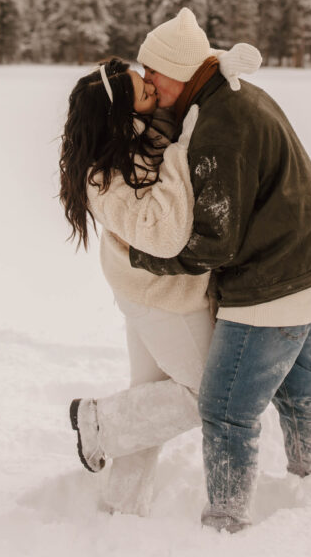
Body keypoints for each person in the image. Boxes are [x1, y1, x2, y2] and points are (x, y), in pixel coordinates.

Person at [128, 8, 311, 533]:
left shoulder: (220, 125)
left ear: (181, 72)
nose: (146, 83)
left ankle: (226, 522)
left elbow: (215, 242)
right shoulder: (229, 97)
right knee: (298, 383)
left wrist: (145, 256)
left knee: (226, 407)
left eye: (152, 73)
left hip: (279, 280)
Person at [59, 49, 260, 516]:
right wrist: (180, 152)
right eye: (145, 92)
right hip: (163, 298)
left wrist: (220, 65)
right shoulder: (105, 175)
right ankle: (98, 424)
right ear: (121, 117)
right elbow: (164, 235)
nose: (155, 89)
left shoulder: (142, 138)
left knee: (145, 401)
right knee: (208, 396)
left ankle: (121, 506)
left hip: (145, 292)